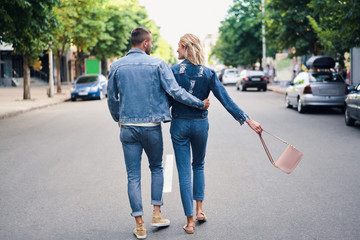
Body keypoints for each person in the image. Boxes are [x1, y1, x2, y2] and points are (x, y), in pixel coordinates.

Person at [107, 28, 210, 239]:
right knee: (156, 168)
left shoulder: (116, 66)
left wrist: (119, 118)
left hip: (128, 128)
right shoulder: (157, 64)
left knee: (133, 176)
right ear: (145, 43)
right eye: (151, 42)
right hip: (151, 127)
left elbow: (112, 98)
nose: (151, 45)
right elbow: (176, 92)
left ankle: (140, 224)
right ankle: (156, 214)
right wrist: (200, 103)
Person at [169, 34, 263, 234]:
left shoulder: (173, 72)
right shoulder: (209, 73)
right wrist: (248, 120)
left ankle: (190, 222)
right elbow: (226, 100)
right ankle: (200, 210)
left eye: (178, 46)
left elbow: (165, 99)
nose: (176, 50)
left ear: (185, 47)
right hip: (200, 125)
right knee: (199, 165)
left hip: (179, 126)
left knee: (185, 173)